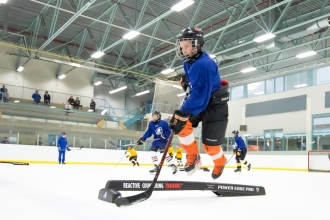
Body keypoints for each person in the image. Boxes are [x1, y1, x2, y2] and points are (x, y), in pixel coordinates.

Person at [169, 27, 229, 180]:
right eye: (182, 47)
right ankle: (193, 156)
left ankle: (220, 162)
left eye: (187, 46)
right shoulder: (189, 62)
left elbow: (199, 95)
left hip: (215, 105)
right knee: (182, 126)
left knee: (210, 146)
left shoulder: (203, 65)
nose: (183, 50)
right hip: (203, 99)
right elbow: (197, 88)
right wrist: (188, 82)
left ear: (197, 45)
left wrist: (182, 112)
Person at [137, 111, 178, 175]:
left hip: (163, 141)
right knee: (152, 153)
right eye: (153, 116)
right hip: (156, 140)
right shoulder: (151, 123)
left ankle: (173, 165)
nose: (154, 117)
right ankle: (156, 166)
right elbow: (149, 132)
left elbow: (169, 131)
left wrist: (164, 136)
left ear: (159, 116)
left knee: (163, 154)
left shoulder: (164, 123)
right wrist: (143, 138)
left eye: (155, 116)